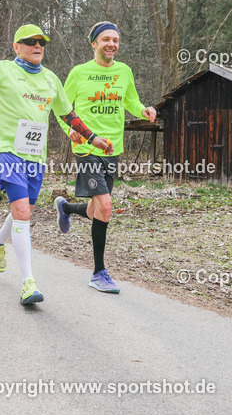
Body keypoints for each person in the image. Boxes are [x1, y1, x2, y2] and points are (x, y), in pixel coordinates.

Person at [0, 24, 113, 306]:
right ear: (16, 47)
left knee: (23, 210)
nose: (37, 46)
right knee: (23, 212)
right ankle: (28, 283)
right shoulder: (3, 69)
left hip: (35, 155)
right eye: (30, 41)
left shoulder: (50, 79)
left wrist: (93, 138)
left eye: (42, 42)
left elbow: (68, 114)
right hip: (7, 150)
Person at [54, 21, 157, 294]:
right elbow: (61, 107)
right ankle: (99, 272)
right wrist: (70, 132)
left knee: (96, 210)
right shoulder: (79, 73)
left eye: (115, 40)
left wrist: (143, 110)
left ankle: (65, 208)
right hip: (87, 149)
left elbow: (130, 101)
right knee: (107, 206)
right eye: (106, 39)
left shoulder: (124, 71)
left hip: (113, 149)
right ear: (94, 44)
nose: (112, 44)